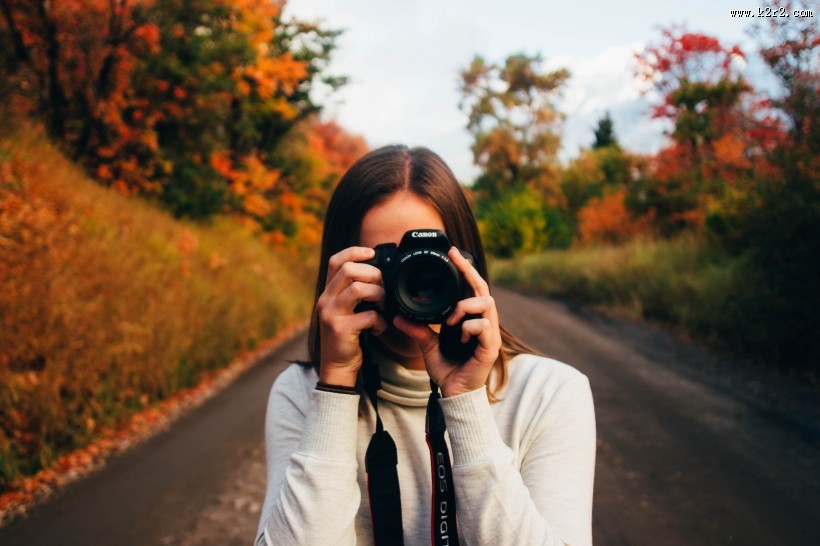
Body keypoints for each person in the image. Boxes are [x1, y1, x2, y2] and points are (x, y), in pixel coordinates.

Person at [255, 145, 596, 546]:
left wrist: (466, 399)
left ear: (468, 263)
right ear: (340, 270)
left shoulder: (550, 393)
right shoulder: (302, 392)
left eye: (429, 261)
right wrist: (335, 384)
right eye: (388, 262)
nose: (413, 282)